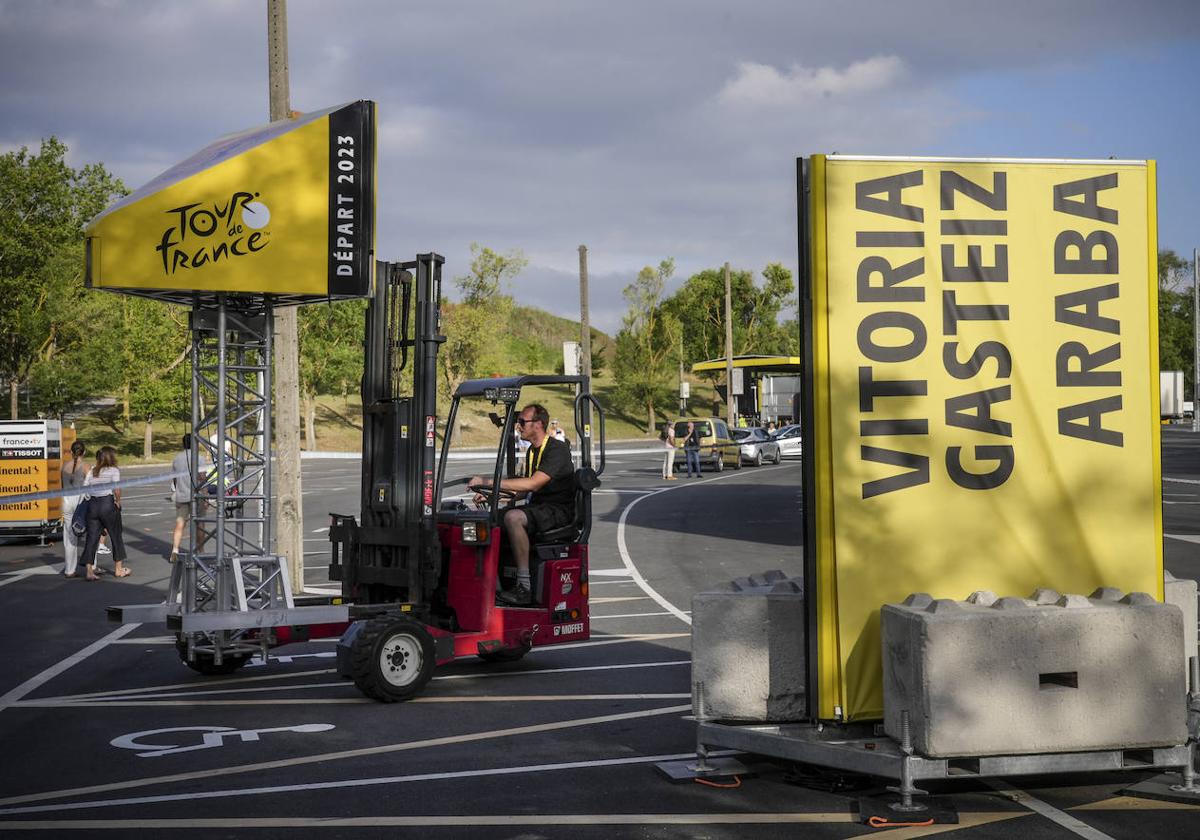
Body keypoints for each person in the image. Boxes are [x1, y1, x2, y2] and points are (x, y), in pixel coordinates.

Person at [468, 403, 574, 606]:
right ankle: (492, 582)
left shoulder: (556, 449)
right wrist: (493, 496)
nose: (518, 426)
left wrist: (488, 481)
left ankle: (524, 587)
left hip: (558, 510)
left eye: (522, 422)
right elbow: (524, 489)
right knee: (486, 520)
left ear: (538, 425)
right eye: (518, 422)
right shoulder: (532, 452)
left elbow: (534, 483)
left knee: (513, 517)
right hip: (540, 508)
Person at [82, 445, 129, 581]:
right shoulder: (113, 470)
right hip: (107, 504)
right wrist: (118, 501)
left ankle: (89, 571)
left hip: (93, 505)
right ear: (111, 457)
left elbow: (85, 488)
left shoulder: (92, 471)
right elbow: (117, 489)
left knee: (91, 538)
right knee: (116, 536)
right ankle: (119, 569)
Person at [169, 434, 209, 563]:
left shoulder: (177, 458)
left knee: (180, 523)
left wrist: (177, 489)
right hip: (196, 495)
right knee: (200, 524)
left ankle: (175, 550)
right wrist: (206, 495)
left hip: (181, 495)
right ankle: (200, 550)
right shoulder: (199, 458)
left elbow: (174, 479)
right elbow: (202, 478)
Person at [60, 440, 88, 578]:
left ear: (71, 452)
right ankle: (91, 566)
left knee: (69, 535)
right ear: (84, 452)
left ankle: (69, 570)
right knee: (88, 532)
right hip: (80, 501)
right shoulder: (86, 467)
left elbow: (62, 485)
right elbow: (90, 486)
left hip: (66, 500)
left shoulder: (64, 466)